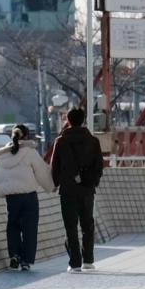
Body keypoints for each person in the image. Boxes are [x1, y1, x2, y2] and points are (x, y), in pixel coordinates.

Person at [0, 125, 54, 271]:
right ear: (26, 136)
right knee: (29, 229)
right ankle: (26, 260)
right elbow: (41, 172)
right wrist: (50, 187)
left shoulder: (1, 155)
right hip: (28, 196)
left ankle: (14, 255)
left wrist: (0, 190)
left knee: (12, 226)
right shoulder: (30, 152)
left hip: (11, 197)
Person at [50, 107, 104, 271]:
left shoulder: (61, 141)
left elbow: (55, 166)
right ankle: (88, 260)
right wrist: (93, 182)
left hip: (67, 190)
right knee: (87, 225)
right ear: (83, 121)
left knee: (70, 226)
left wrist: (56, 182)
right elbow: (99, 165)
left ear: (68, 120)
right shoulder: (93, 141)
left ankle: (74, 263)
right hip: (87, 190)